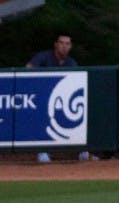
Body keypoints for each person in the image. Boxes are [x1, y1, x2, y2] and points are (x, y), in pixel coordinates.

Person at [26, 32, 81, 164]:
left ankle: (83, 150)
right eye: (61, 43)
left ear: (71, 46)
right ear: (56, 45)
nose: (64, 46)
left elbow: (78, 81)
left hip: (62, 101)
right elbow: (28, 69)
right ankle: (42, 150)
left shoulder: (71, 63)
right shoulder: (44, 57)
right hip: (39, 98)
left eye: (67, 44)